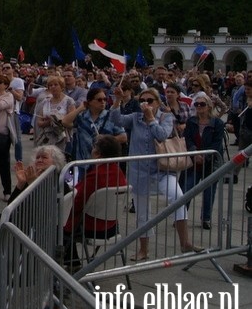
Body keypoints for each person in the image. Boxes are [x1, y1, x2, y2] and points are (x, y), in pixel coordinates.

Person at [0, 146, 66, 309]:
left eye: (44, 158)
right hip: (24, 225)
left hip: (39, 232)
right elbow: (11, 207)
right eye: (37, 158)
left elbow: (42, 213)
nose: (39, 160)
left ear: (55, 163)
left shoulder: (56, 182)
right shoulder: (38, 178)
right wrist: (21, 185)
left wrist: (31, 184)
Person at [110, 87, 198, 260]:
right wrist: (118, 100)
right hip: (139, 170)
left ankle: (185, 242)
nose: (146, 104)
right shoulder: (135, 118)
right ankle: (144, 249)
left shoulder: (166, 117)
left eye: (150, 101)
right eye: (142, 101)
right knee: (142, 212)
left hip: (162, 169)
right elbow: (116, 119)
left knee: (178, 197)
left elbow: (162, 135)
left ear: (158, 102)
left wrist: (151, 120)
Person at [61, 135, 128, 269]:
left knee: (58, 223)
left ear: (97, 154)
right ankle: (73, 263)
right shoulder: (118, 172)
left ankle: (72, 264)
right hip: (112, 226)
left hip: (91, 227)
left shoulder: (96, 175)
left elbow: (76, 201)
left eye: (93, 148)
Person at [61, 87, 127, 180]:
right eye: (99, 99)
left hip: (105, 163)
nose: (103, 102)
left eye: (105, 99)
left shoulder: (110, 116)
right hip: (84, 163)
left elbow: (123, 137)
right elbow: (65, 122)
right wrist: (80, 108)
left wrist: (106, 139)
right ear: (90, 101)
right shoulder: (82, 116)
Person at [182, 92, 226, 230]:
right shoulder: (191, 121)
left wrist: (205, 156)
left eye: (202, 104)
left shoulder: (217, 123)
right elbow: (187, 139)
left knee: (209, 191)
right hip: (193, 161)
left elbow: (217, 143)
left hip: (211, 162)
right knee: (186, 189)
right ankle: (181, 216)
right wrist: (195, 152)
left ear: (209, 106)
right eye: (197, 104)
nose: (199, 106)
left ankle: (206, 218)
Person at [34, 75, 75, 151]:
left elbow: (72, 124)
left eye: (56, 85)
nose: (53, 87)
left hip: (63, 138)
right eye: (50, 85)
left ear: (62, 86)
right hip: (47, 137)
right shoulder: (45, 101)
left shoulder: (69, 101)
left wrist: (58, 120)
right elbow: (39, 122)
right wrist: (49, 121)